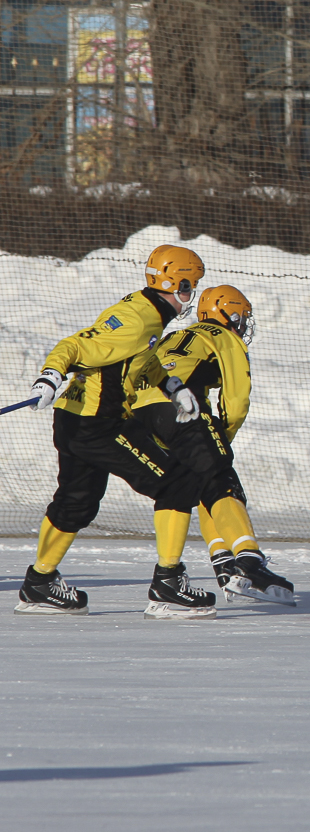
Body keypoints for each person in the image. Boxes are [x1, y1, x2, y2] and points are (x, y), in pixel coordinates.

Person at [17, 244, 216, 618]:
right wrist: (50, 375)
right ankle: (168, 584)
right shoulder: (138, 319)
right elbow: (75, 344)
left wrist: (171, 386)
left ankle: (40, 584)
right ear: (178, 284)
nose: (191, 296)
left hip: (74, 420)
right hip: (98, 424)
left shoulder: (146, 313)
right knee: (178, 480)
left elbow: (138, 357)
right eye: (190, 288)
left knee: (77, 500)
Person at [132, 285, 295, 606]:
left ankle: (223, 560)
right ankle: (248, 562)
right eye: (242, 318)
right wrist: (224, 438)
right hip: (178, 408)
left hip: (138, 415)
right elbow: (236, 399)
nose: (244, 325)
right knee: (222, 478)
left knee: (202, 480)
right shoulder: (224, 338)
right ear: (229, 315)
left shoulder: (175, 335)